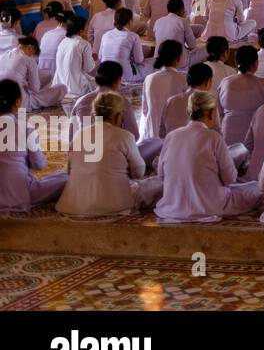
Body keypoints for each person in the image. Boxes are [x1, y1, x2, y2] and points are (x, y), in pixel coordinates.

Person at [154, 90, 262, 223]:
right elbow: (230, 179)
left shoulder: (171, 136)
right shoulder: (213, 137)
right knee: (257, 187)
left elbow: (161, 175)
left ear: (189, 112)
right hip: (209, 205)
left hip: (173, 204)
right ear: (211, 113)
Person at [57, 90, 163, 216]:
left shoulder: (79, 135)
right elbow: (138, 172)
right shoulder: (124, 136)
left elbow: (69, 171)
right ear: (118, 116)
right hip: (115, 204)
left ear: (94, 114)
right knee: (159, 184)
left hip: (74, 205)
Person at [0, 79, 67, 210]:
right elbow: (39, 165)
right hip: (19, 194)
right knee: (66, 179)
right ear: (18, 102)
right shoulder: (25, 127)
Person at [218, 45, 264, 149]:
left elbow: (219, 113)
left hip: (228, 134)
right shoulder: (263, 83)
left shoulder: (225, 82)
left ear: (235, 61)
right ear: (256, 63)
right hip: (253, 135)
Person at [0, 35, 64, 110]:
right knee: (62, 88)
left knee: (47, 75)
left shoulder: (3, 55)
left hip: (2, 99)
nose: (31, 56)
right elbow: (35, 89)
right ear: (31, 48)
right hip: (21, 102)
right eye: (33, 54)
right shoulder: (28, 59)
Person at [99, 8, 145, 85]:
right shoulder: (133, 36)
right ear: (130, 21)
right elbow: (139, 60)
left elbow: (100, 57)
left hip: (105, 74)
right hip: (124, 76)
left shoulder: (106, 35)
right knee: (150, 65)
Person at [53, 15, 95, 98]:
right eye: (86, 28)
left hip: (60, 87)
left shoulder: (63, 42)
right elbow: (89, 68)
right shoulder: (84, 43)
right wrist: (93, 60)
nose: (87, 31)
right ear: (81, 31)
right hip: (77, 88)